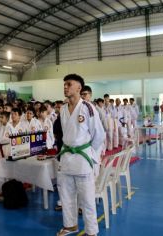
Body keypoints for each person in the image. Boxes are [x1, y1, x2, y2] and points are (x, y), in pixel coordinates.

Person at [56, 74, 104, 236]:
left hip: (82, 157)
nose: (65, 87)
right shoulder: (62, 109)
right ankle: (70, 225)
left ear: (79, 88)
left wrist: (90, 153)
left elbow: (99, 135)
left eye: (68, 84)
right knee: (66, 195)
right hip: (66, 156)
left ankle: (91, 231)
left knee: (87, 199)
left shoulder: (88, 108)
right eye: (64, 84)